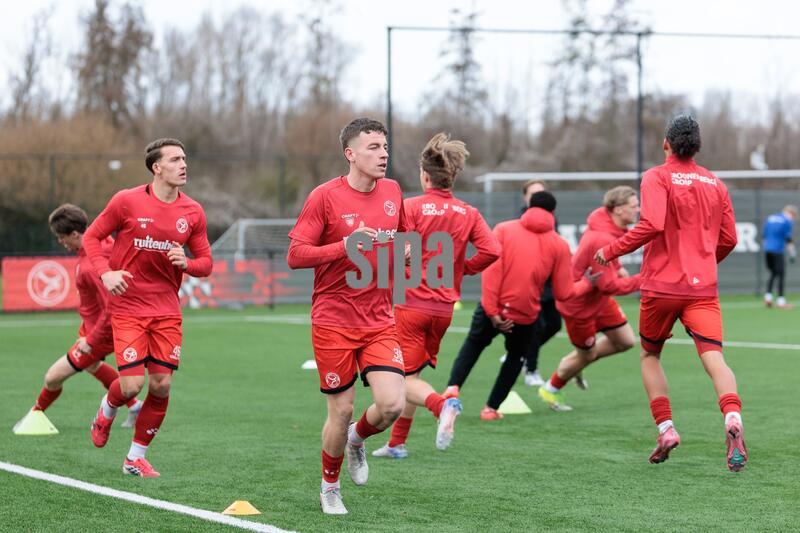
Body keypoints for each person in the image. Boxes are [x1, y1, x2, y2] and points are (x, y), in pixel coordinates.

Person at [595, 114, 745, 471]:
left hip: (661, 287)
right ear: (697, 146)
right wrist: (704, 262)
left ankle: (666, 429)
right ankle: (732, 417)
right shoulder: (715, 183)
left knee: (650, 355)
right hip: (701, 289)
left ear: (666, 143)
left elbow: (651, 224)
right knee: (715, 358)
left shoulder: (656, 176)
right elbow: (729, 239)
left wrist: (611, 250)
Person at [286, 118, 406, 515]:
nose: (383, 154)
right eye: (373, 147)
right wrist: (343, 245)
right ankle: (330, 488)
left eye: (384, 146)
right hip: (333, 321)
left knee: (391, 405)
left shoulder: (393, 191)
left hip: (379, 320)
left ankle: (357, 439)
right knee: (341, 410)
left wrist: (405, 252)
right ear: (350, 154)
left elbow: (402, 238)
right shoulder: (324, 197)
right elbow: (296, 255)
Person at [84, 138, 213, 478]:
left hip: (166, 309)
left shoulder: (193, 211)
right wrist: (106, 273)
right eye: (175, 159)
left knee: (161, 386)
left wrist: (187, 263)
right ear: (157, 167)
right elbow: (91, 238)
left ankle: (134, 458)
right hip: (128, 306)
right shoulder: (126, 201)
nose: (183, 165)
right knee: (130, 386)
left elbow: (206, 263)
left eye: (184, 158)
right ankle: (107, 409)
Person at [371, 133, 500, 460]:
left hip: (410, 305)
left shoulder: (410, 207)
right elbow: (492, 250)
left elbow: (392, 253)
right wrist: (463, 269)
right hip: (443, 309)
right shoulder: (468, 212)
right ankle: (397, 444)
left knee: (401, 381)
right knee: (412, 376)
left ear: (425, 176)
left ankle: (443, 406)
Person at [446, 191, 598, 420]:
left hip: (493, 308)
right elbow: (563, 293)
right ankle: (490, 409)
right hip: (524, 315)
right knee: (515, 358)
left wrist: (492, 311)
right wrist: (587, 283)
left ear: (528, 205)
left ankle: (452, 390)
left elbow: (492, 270)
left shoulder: (503, 229)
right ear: (553, 212)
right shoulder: (559, 244)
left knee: (473, 345)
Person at [14, 204, 141, 429]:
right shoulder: (101, 243)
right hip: (96, 328)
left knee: (52, 377)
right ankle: (134, 406)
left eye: (62, 237)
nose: (61, 242)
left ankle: (35, 416)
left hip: (102, 333)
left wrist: (91, 341)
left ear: (74, 234)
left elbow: (111, 307)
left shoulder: (91, 265)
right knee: (93, 367)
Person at [539, 186, 642, 411]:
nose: (638, 210)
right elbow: (608, 286)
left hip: (597, 300)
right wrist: (645, 279)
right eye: (634, 206)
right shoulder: (602, 236)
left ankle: (578, 360)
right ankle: (551, 388)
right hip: (579, 307)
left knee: (626, 341)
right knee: (586, 355)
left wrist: (617, 267)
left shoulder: (608, 226)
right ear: (618, 209)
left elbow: (601, 264)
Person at [496, 180, 564, 388]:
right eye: (533, 193)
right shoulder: (520, 221)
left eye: (541, 193)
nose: (538, 197)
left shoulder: (552, 219)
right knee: (536, 327)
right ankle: (531, 370)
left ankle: (518, 352)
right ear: (526, 197)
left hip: (549, 282)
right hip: (531, 283)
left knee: (554, 324)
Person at [762, 205, 797, 309]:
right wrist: (792, 253)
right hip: (777, 250)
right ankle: (781, 301)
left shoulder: (770, 218)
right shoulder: (787, 221)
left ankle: (768, 297)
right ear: (791, 213)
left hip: (768, 250)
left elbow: (764, 236)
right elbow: (788, 238)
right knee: (781, 274)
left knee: (773, 273)